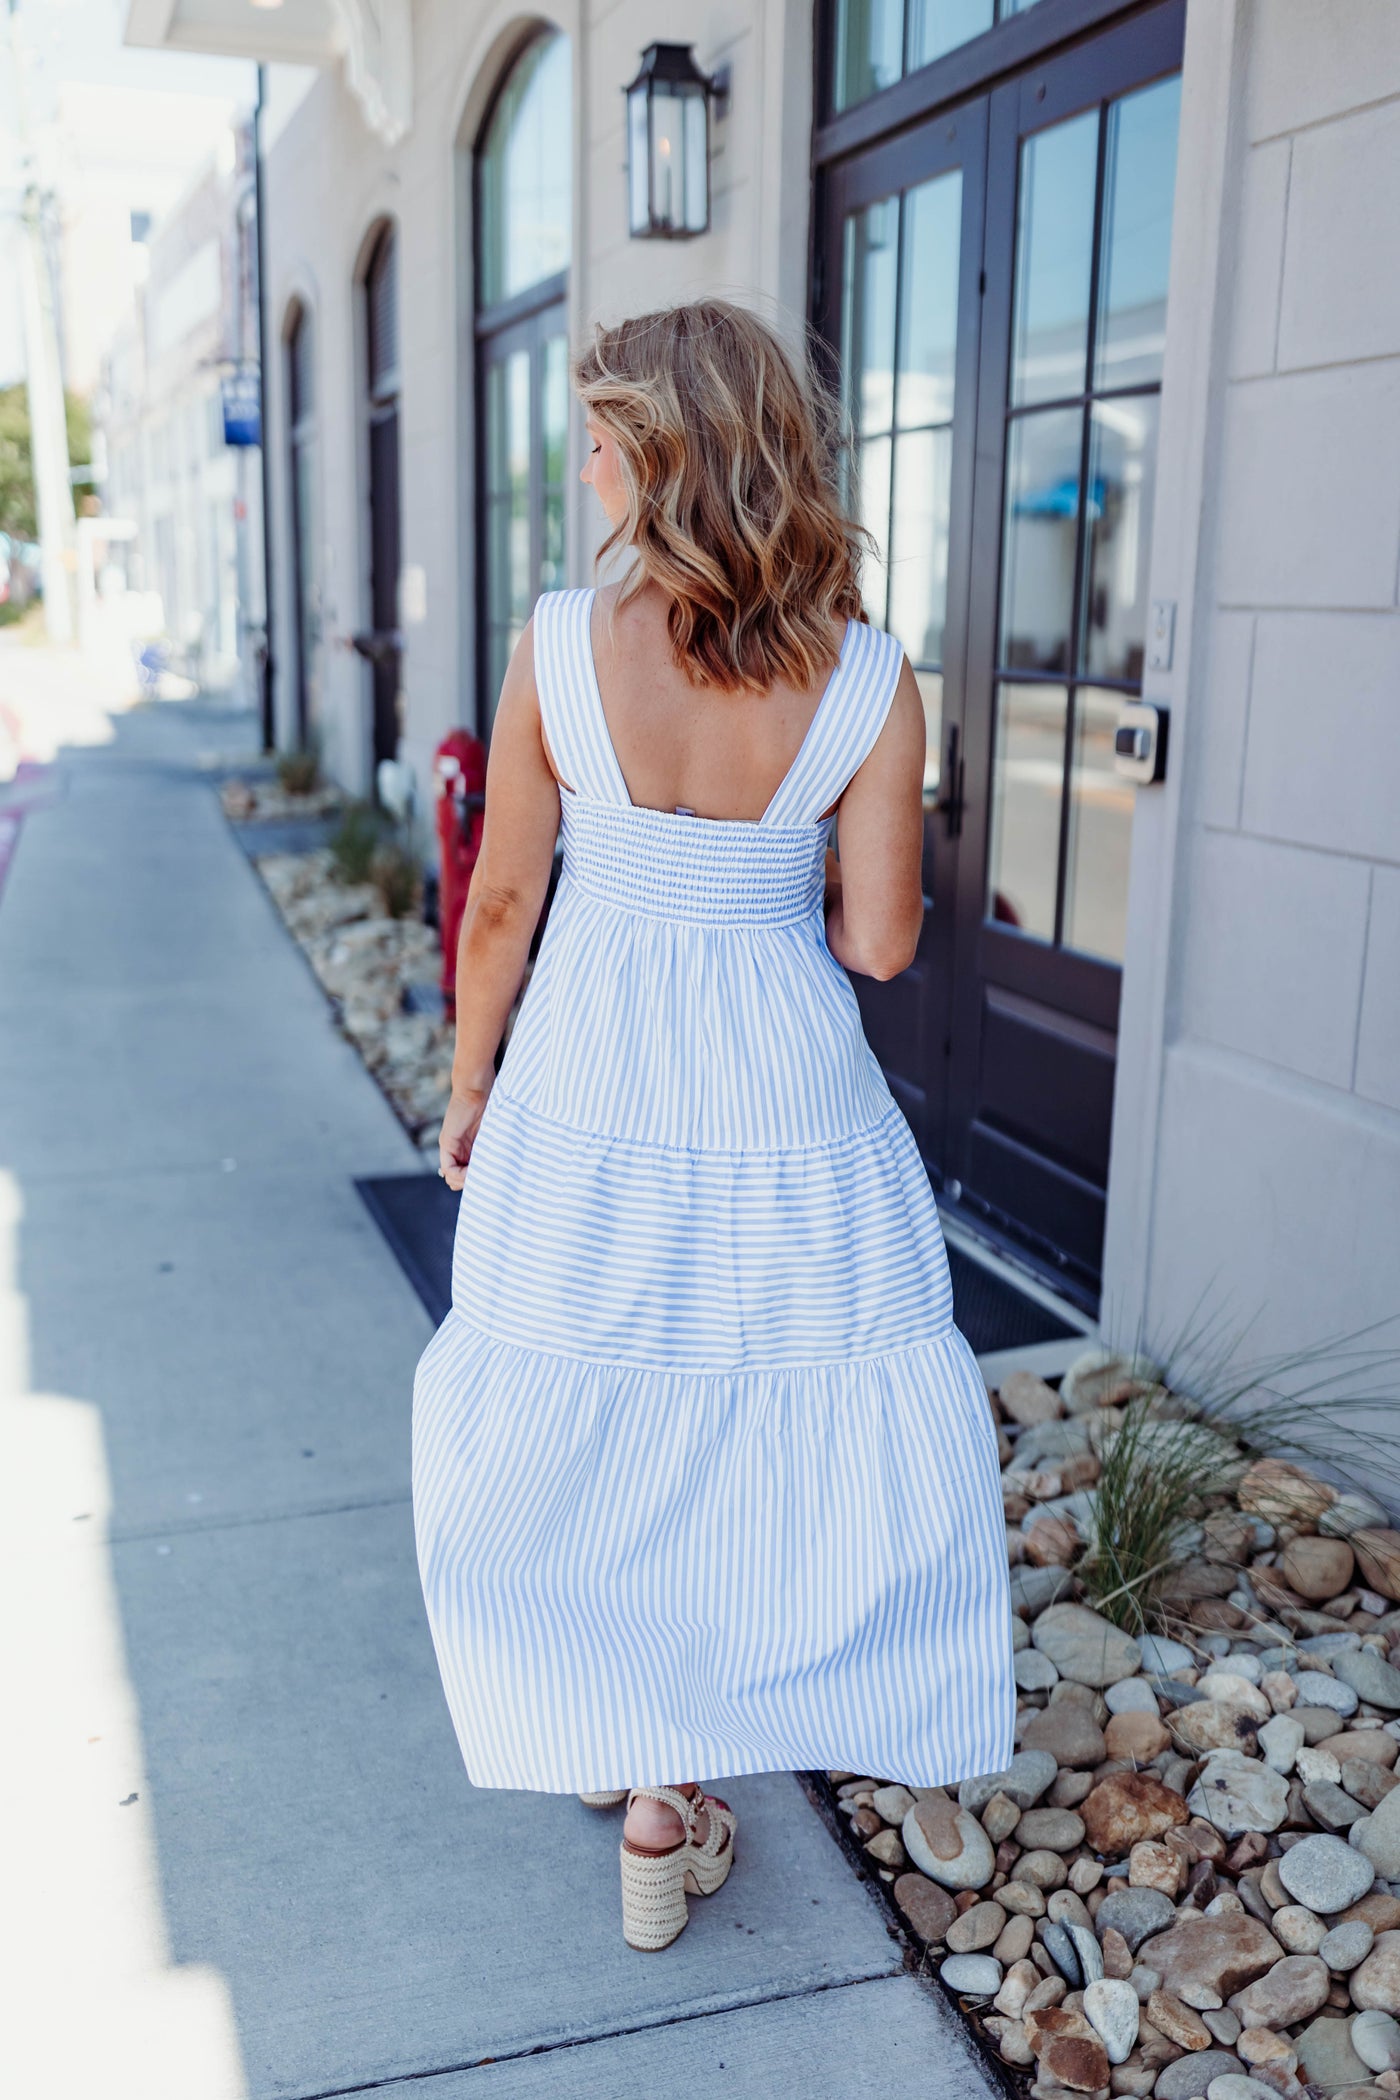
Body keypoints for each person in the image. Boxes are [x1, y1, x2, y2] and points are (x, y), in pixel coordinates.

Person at [412, 300, 1014, 1953]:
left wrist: (471, 1093)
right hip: (779, 1086)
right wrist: (774, 857)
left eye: (602, 435)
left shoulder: (554, 642)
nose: (584, 463)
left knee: (601, 1397)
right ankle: (683, 1782)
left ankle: (641, 1767)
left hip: (593, 1073)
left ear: (662, 456)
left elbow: (502, 906)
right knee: (744, 1408)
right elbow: (882, 944)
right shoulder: (873, 673)